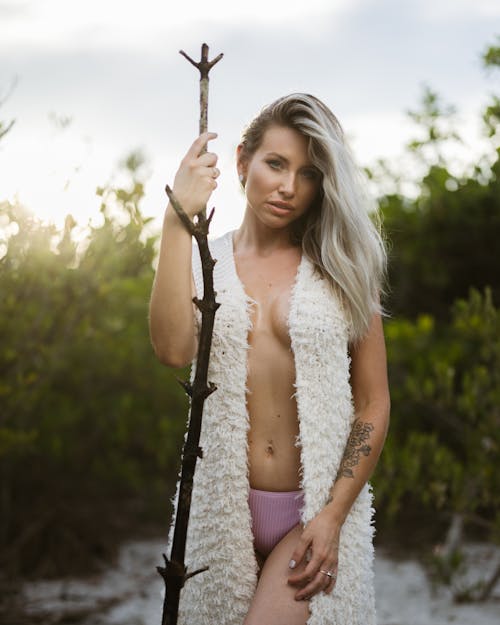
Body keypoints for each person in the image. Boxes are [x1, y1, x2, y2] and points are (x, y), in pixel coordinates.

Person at [149, 93, 390, 625]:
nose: (288, 187)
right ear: (242, 161)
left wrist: (332, 515)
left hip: (311, 515)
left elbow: (373, 403)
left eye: (307, 174)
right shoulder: (201, 259)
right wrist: (176, 219)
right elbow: (172, 350)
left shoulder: (344, 268)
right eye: (275, 164)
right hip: (219, 512)